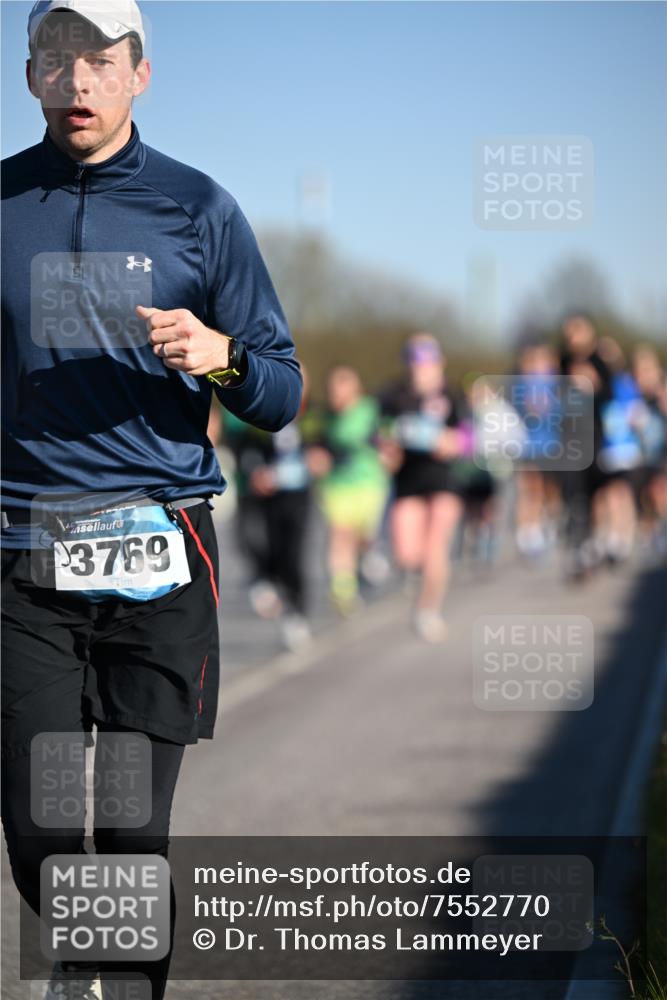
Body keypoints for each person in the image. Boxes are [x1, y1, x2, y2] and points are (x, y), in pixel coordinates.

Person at [1, 3, 301, 999]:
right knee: (41, 826)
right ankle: (87, 951)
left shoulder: (199, 209)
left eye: (99, 60)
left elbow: (282, 392)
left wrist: (222, 358)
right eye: (55, 59)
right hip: (22, 557)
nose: (77, 81)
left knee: (131, 825)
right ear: (29, 73)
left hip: (159, 551)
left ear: (140, 74)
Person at [380, 333, 471, 642]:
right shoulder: (394, 396)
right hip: (407, 480)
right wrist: (386, 450)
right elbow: (379, 433)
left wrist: (454, 442)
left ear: (439, 363)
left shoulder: (452, 395)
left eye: (428, 361)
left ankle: (428, 609)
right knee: (408, 554)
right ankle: (421, 583)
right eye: (416, 361)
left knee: (436, 547)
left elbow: (469, 436)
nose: (423, 368)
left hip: (444, 479)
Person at [223, 364, 313, 651]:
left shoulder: (313, 419)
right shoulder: (263, 415)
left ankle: (297, 613)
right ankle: (265, 583)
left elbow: (323, 454)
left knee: (293, 555)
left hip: (297, 496)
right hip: (266, 498)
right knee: (257, 543)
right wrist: (257, 473)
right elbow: (247, 451)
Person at [307, 365, 389, 616]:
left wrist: (389, 451)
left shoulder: (371, 411)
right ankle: (342, 590)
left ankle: (367, 555)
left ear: (356, 389)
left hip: (369, 482)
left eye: (343, 387)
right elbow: (315, 445)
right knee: (340, 534)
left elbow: (388, 437)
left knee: (362, 536)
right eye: (333, 389)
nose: (337, 394)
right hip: (337, 485)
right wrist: (316, 458)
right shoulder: (324, 418)